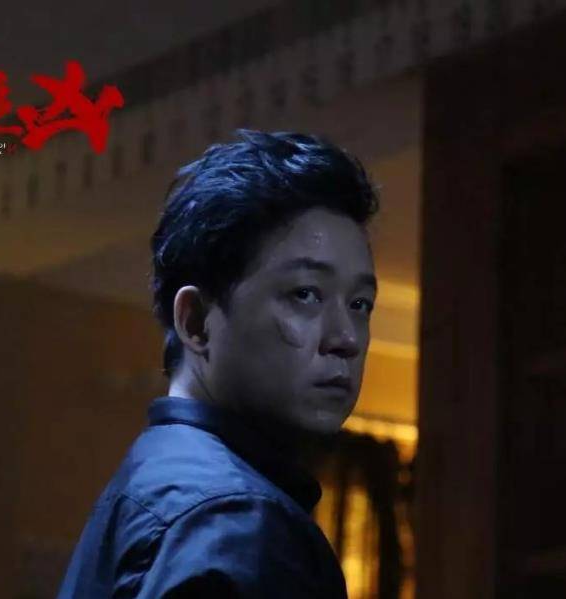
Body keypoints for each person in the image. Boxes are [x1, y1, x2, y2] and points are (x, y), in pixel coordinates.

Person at [56, 129, 380, 598]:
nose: (346, 339)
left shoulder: (157, 478)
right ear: (197, 322)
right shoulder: (236, 519)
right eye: (305, 294)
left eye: (360, 304)